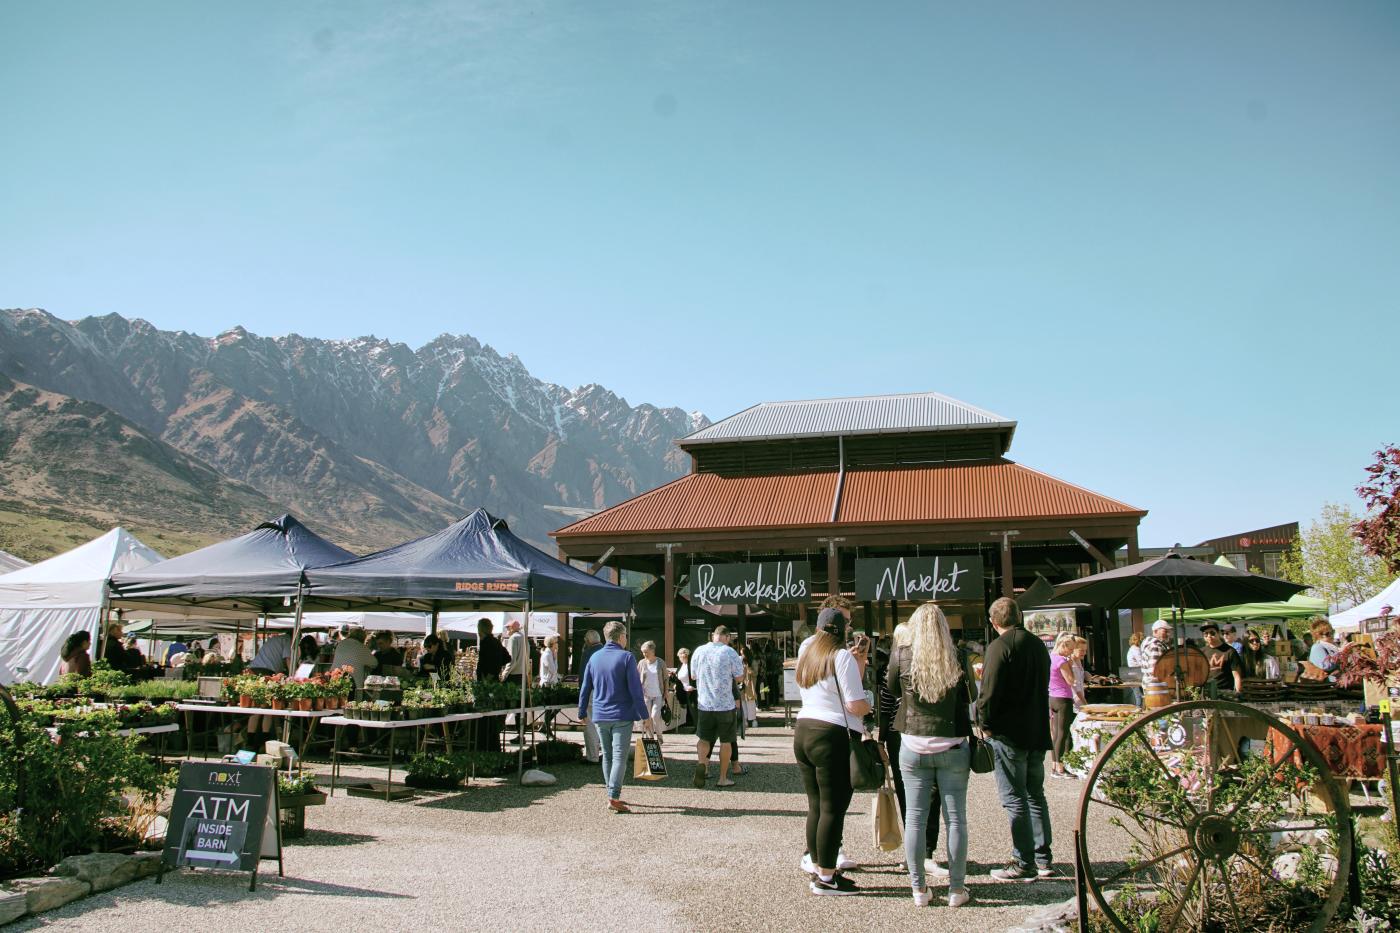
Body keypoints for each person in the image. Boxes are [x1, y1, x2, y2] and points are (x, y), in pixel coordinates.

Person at [887, 603, 973, 908]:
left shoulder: (901, 653)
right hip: (952, 745)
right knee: (956, 819)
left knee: (915, 818)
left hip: (913, 743)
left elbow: (891, 688)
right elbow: (969, 696)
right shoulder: (958, 655)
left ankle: (918, 889)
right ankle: (956, 889)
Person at [793, 602, 870, 895]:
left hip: (804, 729)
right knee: (833, 808)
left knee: (816, 805)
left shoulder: (807, 652)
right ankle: (826, 877)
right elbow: (854, 702)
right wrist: (870, 704)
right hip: (831, 732)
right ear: (843, 629)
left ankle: (816, 865)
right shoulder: (840, 656)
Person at [978, 596, 1053, 882]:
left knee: (1014, 798)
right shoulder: (1037, 645)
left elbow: (989, 690)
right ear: (1018, 617)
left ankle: (1024, 862)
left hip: (1009, 733)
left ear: (993, 621)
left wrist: (985, 724)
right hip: (1036, 728)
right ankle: (1043, 857)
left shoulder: (1000, 647)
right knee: (1035, 795)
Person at [878, 623, 944, 885]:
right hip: (922, 730)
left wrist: (881, 738)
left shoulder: (891, 669)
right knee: (931, 791)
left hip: (898, 733)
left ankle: (915, 849)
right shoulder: (929, 666)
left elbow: (884, 706)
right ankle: (925, 849)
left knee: (908, 792)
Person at [577, 620, 648, 814]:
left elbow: (585, 687)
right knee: (619, 757)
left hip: (600, 714)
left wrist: (582, 711)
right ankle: (613, 796)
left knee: (607, 756)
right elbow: (636, 690)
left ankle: (611, 793)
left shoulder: (594, 658)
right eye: (626, 636)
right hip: (622, 714)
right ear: (621, 636)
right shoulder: (627, 658)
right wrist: (645, 716)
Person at [690, 625, 746, 790]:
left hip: (705, 704)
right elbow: (739, 677)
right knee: (726, 741)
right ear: (727, 637)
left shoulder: (699, 651)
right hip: (725, 704)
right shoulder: (730, 652)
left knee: (704, 738)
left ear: (713, 636)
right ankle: (722, 778)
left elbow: (693, 675)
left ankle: (703, 765)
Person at [1048, 637, 1079, 779]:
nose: (1071, 652)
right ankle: (1060, 767)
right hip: (1063, 698)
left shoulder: (1050, 657)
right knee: (1062, 733)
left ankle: (1054, 765)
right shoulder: (1062, 660)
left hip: (1052, 697)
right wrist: (1071, 666)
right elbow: (1070, 680)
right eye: (1070, 649)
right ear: (1063, 645)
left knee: (1055, 733)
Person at [580, 629, 605, 762]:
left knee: (589, 723)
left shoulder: (588, 652)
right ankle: (607, 754)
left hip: (592, 691)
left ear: (588, 641)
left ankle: (592, 756)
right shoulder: (606, 651)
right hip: (607, 692)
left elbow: (583, 677)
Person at [637, 640, 669, 736]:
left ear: (652, 651)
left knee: (655, 716)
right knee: (647, 718)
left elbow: (666, 678)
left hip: (658, 694)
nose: (644, 654)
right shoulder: (641, 663)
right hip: (646, 694)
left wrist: (666, 691)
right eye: (643, 652)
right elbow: (637, 677)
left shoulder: (660, 662)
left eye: (646, 651)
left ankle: (659, 737)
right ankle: (650, 739)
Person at [331, 627, 378, 691]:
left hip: (334, 677)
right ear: (363, 638)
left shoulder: (341, 643)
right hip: (353, 685)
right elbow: (374, 663)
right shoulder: (362, 647)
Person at [1200, 624, 1242, 695]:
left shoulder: (1230, 651)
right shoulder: (1201, 652)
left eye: (1212, 633)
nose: (1209, 636)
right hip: (1206, 691)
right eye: (1205, 634)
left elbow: (1237, 675)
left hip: (1225, 692)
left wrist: (1238, 693)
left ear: (1218, 633)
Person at [1138, 619, 1171, 706]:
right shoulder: (1156, 645)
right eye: (1165, 631)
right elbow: (1155, 670)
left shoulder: (1150, 644)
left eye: (1168, 631)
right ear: (1155, 631)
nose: (1168, 633)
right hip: (1156, 688)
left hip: (1150, 685)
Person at [474, 618, 509, 683]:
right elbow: (507, 658)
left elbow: (506, 658)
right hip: (491, 679)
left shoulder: (487, 642)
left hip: (488, 680)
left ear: (481, 629)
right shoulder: (495, 641)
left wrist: (491, 674)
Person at [674, 647, 696, 733]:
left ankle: (697, 727)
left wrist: (693, 686)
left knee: (694, 709)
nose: (681, 658)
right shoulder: (681, 665)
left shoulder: (691, 665)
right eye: (680, 657)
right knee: (690, 710)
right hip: (684, 690)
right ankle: (694, 726)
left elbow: (695, 677)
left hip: (693, 690)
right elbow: (679, 676)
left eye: (682, 656)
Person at [503, 619, 530, 683]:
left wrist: (505, 674)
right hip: (523, 675)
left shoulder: (513, 638)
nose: (507, 630)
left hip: (513, 676)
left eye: (507, 627)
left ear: (511, 628)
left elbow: (512, 659)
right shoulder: (524, 637)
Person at [1124, 632, 1144, 706]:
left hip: (1133, 675)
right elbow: (1141, 662)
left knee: (1138, 696)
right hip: (1136, 675)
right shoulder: (1136, 649)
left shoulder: (1131, 649)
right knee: (1139, 697)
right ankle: (1139, 713)